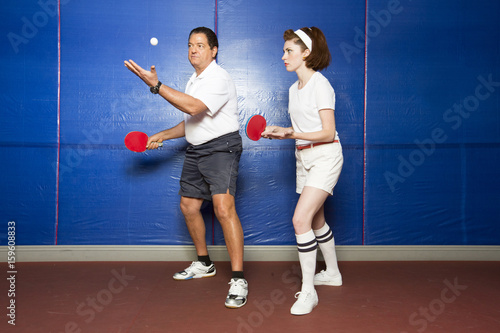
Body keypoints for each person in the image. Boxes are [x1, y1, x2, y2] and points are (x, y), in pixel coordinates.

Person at [124, 27, 248, 309]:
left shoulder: (218, 78)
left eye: (200, 45)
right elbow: (193, 121)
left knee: (223, 208)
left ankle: (239, 278)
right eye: (190, 45)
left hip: (221, 149)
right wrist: (162, 135)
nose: (193, 50)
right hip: (197, 150)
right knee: (189, 207)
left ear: (213, 51)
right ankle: (204, 263)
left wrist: (156, 86)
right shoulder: (195, 79)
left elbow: (193, 108)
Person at [261, 27, 343, 315]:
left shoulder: (321, 85)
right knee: (316, 220)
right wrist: (282, 133)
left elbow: (327, 131)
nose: (283, 56)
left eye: (289, 51)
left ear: (306, 53)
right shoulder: (292, 89)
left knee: (300, 220)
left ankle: (309, 292)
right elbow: (301, 131)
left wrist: (288, 133)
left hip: (325, 156)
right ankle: (332, 273)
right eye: (284, 51)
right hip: (303, 158)